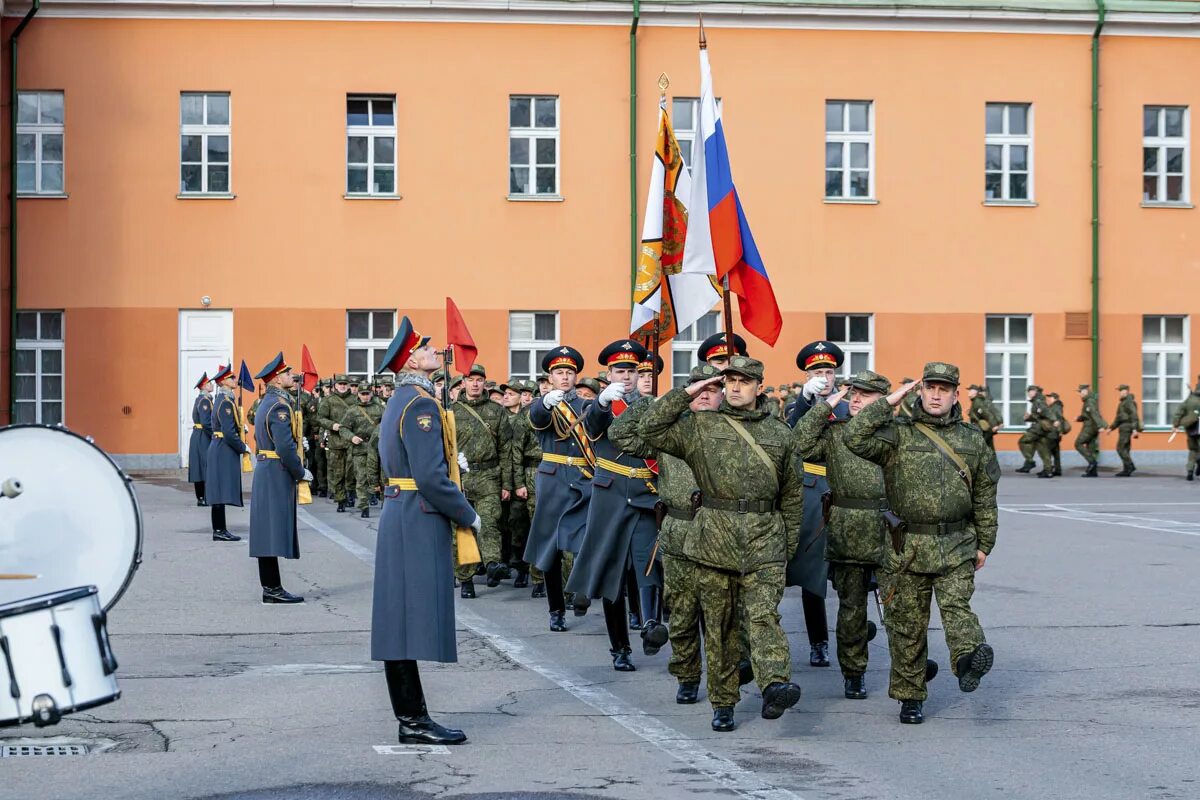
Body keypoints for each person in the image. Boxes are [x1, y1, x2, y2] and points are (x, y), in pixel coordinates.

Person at [640, 355, 804, 732]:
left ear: (759, 386)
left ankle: (775, 683)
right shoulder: (700, 426)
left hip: (764, 537)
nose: (734, 387)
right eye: (728, 380)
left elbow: (793, 498)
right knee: (720, 627)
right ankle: (724, 701)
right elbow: (650, 428)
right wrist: (688, 392)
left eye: (743, 381)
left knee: (763, 618)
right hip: (713, 538)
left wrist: (786, 546)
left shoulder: (780, 434)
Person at [844, 362, 998, 725]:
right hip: (905, 546)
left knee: (957, 608)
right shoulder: (898, 433)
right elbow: (854, 438)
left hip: (956, 542)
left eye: (944, 389)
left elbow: (985, 496)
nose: (936, 395)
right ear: (920, 390)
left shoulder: (972, 438)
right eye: (930, 387)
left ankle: (966, 659)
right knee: (906, 627)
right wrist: (888, 403)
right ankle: (910, 697)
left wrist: (985, 543)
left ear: (955, 395)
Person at [372, 316, 481, 746]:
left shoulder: (405, 399)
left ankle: (412, 716)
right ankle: (412, 720)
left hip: (404, 512)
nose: (436, 351)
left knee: (398, 621)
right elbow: (432, 477)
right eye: (427, 347)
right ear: (412, 359)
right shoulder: (419, 404)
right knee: (403, 621)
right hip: (418, 515)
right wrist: (466, 513)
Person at [793, 370, 892, 700]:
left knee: (903, 607)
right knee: (852, 608)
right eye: (854, 393)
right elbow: (800, 444)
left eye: (866, 395)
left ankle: (912, 668)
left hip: (892, 532)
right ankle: (854, 672)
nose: (857, 399)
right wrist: (824, 405)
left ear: (883, 401)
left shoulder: (898, 435)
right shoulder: (837, 433)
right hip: (848, 533)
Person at [567, 340, 665, 671]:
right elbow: (592, 430)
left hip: (644, 493)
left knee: (648, 565)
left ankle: (651, 624)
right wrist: (602, 404)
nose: (626, 376)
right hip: (609, 495)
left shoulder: (651, 405)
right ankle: (619, 647)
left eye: (632, 371)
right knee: (612, 576)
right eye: (620, 371)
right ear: (608, 374)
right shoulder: (601, 404)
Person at [525, 347, 593, 633]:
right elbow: (537, 419)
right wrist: (545, 403)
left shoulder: (587, 405)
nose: (564, 377)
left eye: (569, 373)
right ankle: (556, 609)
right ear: (550, 378)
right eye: (558, 373)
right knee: (551, 547)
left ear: (576, 376)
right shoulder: (545, 404)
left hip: (582, 476)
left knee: (584, 540)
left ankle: (580, 591)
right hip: (552, 479)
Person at [784, 340, 843, 668]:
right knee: (811, 574)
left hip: (844, 492)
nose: (825, 377)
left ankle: (856, 631)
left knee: (852, 572)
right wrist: (806, 399)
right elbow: (792, 435)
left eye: (829, 371)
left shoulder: (848, 406)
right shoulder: (796, 406)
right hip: (811, 493)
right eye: (818, 372)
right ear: (807, 376)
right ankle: (818, 642)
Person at [248, 353, 306, 604]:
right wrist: (300, 471)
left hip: (267, 468)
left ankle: (272, 586)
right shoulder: (280, 407)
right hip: (275, 470)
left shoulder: (267, 403)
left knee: (266, 530)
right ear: (275, 379)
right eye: (286, 373)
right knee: (270, 531)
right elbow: (283, 447)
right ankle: (271, 588)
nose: (291, 376)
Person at [451, 363, 511, 597]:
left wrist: (507, 483)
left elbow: (506, 449)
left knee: (489, 522)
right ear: (462, 383)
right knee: (462, 528)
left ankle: (492, 564)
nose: (475, 383)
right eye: (470, 379)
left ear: (485, 382)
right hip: (461, 477)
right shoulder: (451, 411)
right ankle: (465, 578)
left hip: (489, 475)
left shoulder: (496, 411)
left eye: (479, 379)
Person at [205, 364, 246, 543]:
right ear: (223, 382)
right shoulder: (226, 402)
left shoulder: (224, 399)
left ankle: (220, 529)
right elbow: (228, 432)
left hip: (220, 446)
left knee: (219, 491)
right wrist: (242, 447)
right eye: (232, 378)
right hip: (222, 447)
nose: (235, 380)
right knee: (219, 491)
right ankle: (219, 530)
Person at [341, 384, 384, 519]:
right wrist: (352, 437)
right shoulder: (352, 411)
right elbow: (343, 428)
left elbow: (388, 423)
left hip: (377, 447)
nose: (365, 396)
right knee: (361, 478)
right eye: (362, 394)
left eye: (367, 393)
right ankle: (364, 506)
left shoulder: (380, 408)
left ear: (371, 394)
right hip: (360, 448)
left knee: (382, 476)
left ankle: (384, 503)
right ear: (358, 394)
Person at [318, 375, 355, 511]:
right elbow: (320, 418)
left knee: (352, 471)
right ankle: (340, 499)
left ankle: (350, 493)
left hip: (351, 441)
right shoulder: (329, 400)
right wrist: (332, 425)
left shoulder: (354, 399)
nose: (343, 386)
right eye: (340, 384)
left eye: (345, 383)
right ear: (335, 386)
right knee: (338, 473)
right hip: (336, 442)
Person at [1016, 385, 1054, 477]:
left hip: (1038, 429)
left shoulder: (1038, 401)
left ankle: (1030, 461)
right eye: (1028, 392)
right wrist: (1029, 417)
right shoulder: (1038, 401)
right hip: (1042, 428)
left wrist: (1054, 420)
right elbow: (1038, 416)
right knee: (1042, 449)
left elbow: (1046, 412)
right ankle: (1048, 470)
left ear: (1034, 392)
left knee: (1022, 441)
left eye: (1030, 391)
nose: (1028, 393)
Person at [188, 373, 213, 507]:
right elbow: (206, 422)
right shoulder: (204, 401)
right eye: (209, 383)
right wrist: (215, 434)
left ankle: (202, 497)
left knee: (200, 466)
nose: (212, 385)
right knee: (203, 467)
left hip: (199, 434)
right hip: (203, 435)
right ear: (203, 386)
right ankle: (202, 497)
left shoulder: (203, 399)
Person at [1108, 384, 1143, 477]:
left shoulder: (1128, 402)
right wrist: (1111, 428)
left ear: (1125, 391)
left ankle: (1130, 465)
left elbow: (1134, 415)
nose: (1119, 393)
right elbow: (1118, 418)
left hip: (1127, 427)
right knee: (1125, 449)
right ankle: (1126, 470)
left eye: (1121, 391)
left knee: (1120, 448)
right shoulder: (1123, 403)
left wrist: (1135, 429)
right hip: (1124, 427)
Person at [1074, 384, 1107, 477]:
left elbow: (1095, 414)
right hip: (1093, 426)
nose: (1079, 394)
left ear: (1085, 392)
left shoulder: (1089, 401)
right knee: (1091, 447)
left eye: (1080, 392)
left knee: (1078, 443)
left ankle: (1092, 462)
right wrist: (1079, 418)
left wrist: (1100, 426)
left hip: (1090, 427)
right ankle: (1093, 472)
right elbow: (1087, 415)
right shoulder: (1087, 401)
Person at [1171, 378, 1200, 481]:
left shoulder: (1189, 400)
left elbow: (1179, 412)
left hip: (1191, 428)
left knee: (1193, 450)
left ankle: (1190, 471)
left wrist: (1175, 425)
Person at [967, 385, 1003, 452]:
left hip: (983, 429)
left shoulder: (978, 402)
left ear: (975, 392)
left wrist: (994, 425)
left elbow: (987, 413)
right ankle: (992, 461)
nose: (968, 393)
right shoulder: (977, 401)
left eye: (970, 391)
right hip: (984, 428)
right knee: (989, 448)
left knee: (979, 448)